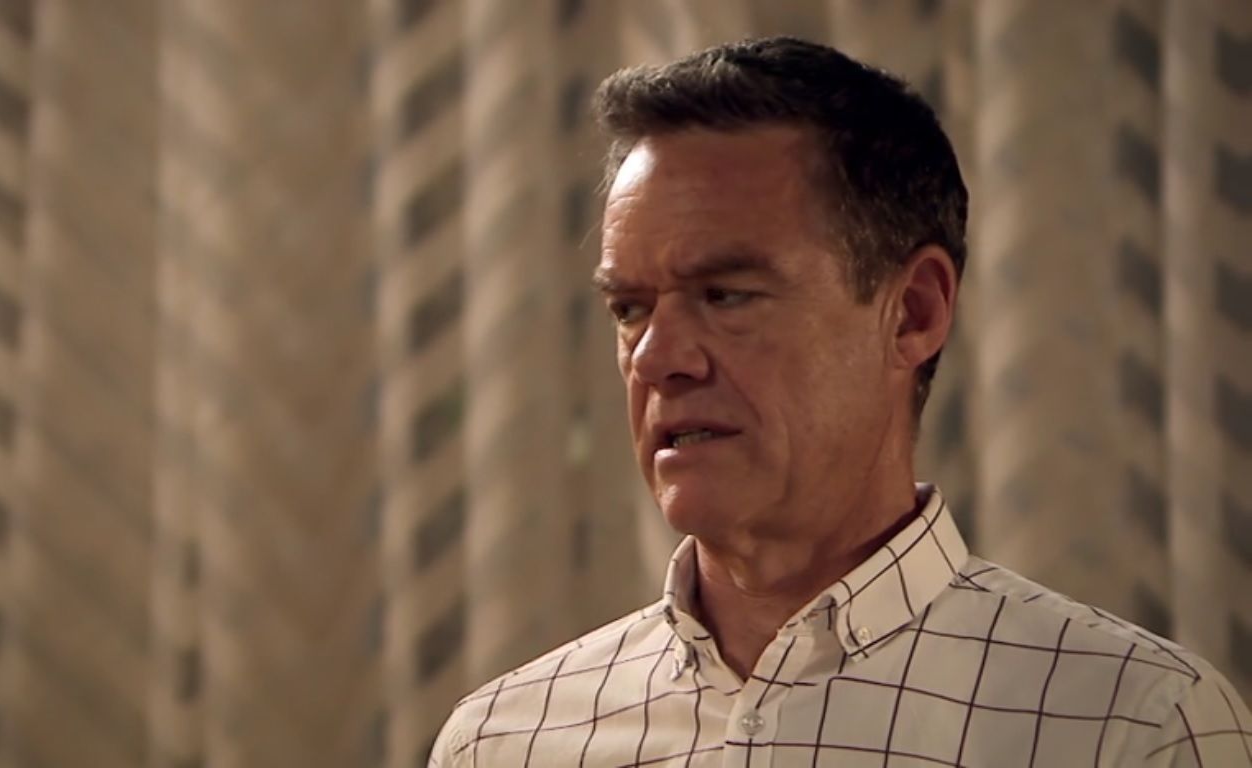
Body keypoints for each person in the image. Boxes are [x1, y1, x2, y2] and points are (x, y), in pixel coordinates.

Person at [429, 37, 1251, 767]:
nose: (657, 358)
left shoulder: (1134, 727)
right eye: (630, 308)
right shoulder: (504, 742)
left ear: (914, 313)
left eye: (726, 294)